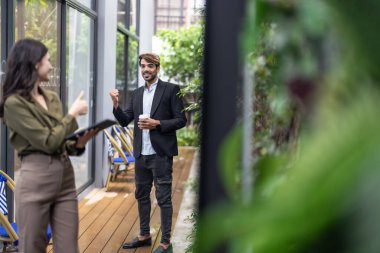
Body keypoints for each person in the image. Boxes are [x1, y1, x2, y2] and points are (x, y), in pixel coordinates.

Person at [0, 38, 98, 253]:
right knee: (33, 247)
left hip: (65, 178)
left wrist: (78, 143)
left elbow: (60, 140)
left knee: (68, 249)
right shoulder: (13, 104)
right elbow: (47, 141)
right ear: (35, 63)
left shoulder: (52, 98)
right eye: (48, 60)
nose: (51, 65)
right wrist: (72, 114)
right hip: (36, 180)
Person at [109, 53, 186, 253]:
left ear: (157, 68)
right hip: (141, 154)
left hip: (160, 154)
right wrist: (116, 105)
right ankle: (144, 235)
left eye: (150, 66)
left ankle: (165, 242)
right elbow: (126, 119)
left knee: (163, 198)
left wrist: (157, 124)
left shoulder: (170, 90)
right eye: (143, 66)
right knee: (141, 195)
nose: (145, 70)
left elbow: (181, 120)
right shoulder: (136, 94)